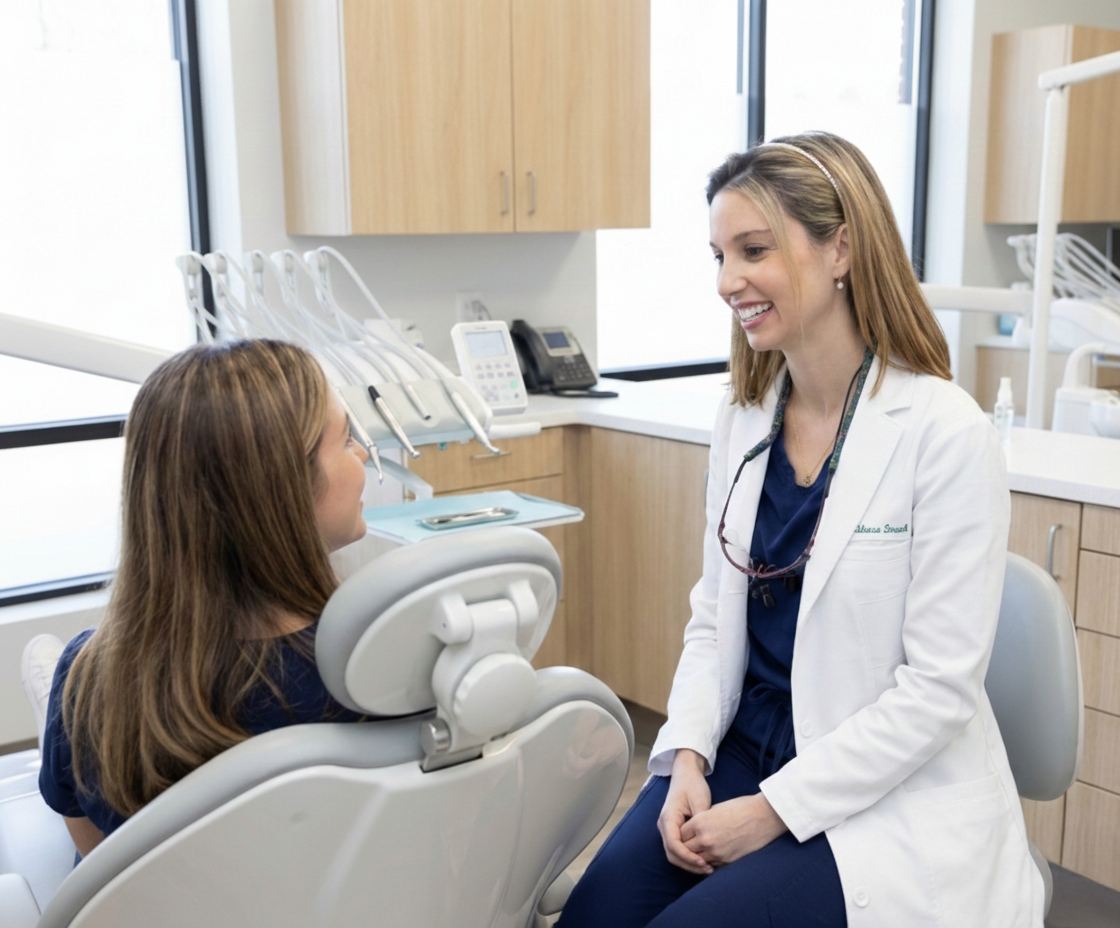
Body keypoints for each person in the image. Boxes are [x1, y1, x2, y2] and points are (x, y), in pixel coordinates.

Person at [558, 132, 1041, 928]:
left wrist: (773, 811)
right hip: (743, 746)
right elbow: (713, 619)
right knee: (596, 913)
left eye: (754, 250)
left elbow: (936, 692)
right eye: (719, 256)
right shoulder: (745, 417)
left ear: (840, 249)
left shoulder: (945, 434)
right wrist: (687, 758)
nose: (728, 281)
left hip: (881, 789)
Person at [38, 339, 370, 859]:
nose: (363, 453)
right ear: (283, 488)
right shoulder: (383, 671)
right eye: (348, 439)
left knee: (56, 673)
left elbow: (98, 870)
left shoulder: (91, 680)